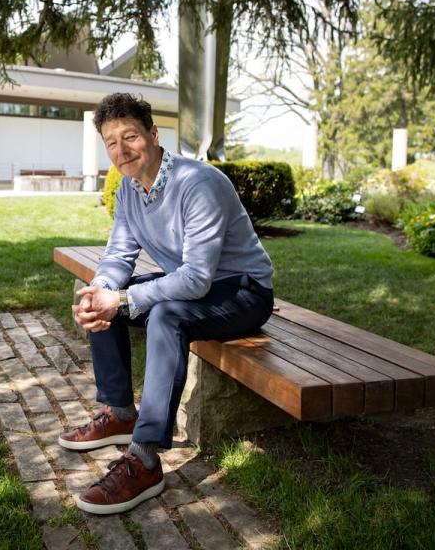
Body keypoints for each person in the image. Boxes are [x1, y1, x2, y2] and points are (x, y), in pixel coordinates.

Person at [58, 92, 275, 515]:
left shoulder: (198, 183)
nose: (121, 150)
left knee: (165, 314)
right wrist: (101, 292)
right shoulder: (127, 191)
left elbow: (195, 278)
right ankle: (120, 411)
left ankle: (144, 458)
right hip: (197, 285)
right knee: (102, 296)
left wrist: (120, 298)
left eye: (131, 136)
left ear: (154, 135)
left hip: (244, 291)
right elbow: (119, 256)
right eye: (111, 142)